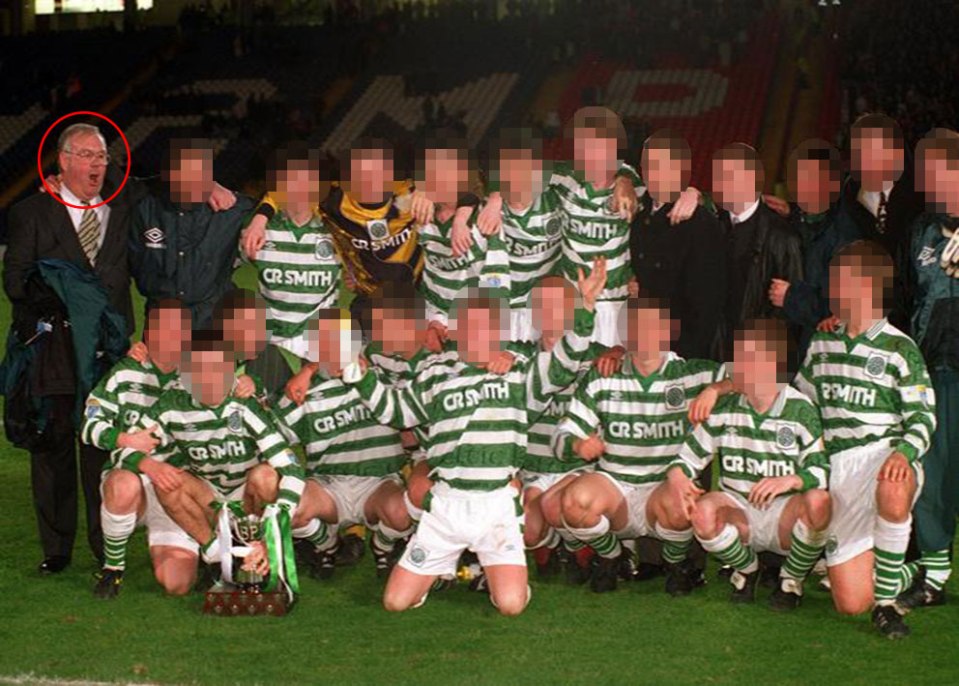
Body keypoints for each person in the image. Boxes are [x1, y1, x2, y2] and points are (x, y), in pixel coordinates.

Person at [341, 259, 608, 615]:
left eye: (486, 325)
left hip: (496, 505)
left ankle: (496, 575)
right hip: (447, 504)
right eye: (468, 324)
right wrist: (363, 379)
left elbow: (563, 361)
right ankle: (441, 569)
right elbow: (397, 411)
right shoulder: (436, 373)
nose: (477, 333)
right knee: (395, 603)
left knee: (510, 605)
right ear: (456, 329)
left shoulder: (519, 375)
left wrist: (585, 308)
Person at [3, 122, 138, 573]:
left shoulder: (121, 206)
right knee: (54, 446)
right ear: (62, 161)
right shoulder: (31, 213)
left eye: (101, 157)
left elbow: (171, 189)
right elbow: (15, 282)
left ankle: (107, 548)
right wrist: (68, 295)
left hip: (109, 353)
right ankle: (57, 549)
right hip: (56, 351)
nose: (96, 165)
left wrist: (216, 187)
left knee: (101, 450)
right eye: (85, 155)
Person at [794, 240, 937, 638]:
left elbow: (923, 417)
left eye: (839, 281)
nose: (832, 290)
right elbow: (802, 407)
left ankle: (889, 606)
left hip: (882, 456)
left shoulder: (898, 348)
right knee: (850, 604)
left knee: (892, 487)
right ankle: (913, 569)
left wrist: (905, 453)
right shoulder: (822, 343)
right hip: (839, 469)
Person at [552, 298, 724, 595]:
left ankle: (675, 564)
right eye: (635, 328)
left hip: (662, 491)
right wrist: (577, 444)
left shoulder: (691, 374)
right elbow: (560, 436)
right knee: (573, 501)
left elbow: (754, 375)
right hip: (615, 488)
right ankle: (611, 556)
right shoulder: (603, 377)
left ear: (668, 330)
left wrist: (716, 388)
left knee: (686, 502)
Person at [668, 318, 831, 609]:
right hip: (739, 511)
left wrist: (790, 480)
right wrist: (679, 478)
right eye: (738, 357)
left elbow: (820, 471)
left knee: (819, 502)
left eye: (748, 357)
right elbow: (686, 460)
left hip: (783, 515)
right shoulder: (724, 408)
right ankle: (746, 569)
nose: (737, 366)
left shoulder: (800, 408)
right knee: (702, 512)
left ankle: (790, 579)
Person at [112, 331, 306, 573]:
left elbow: (292, 470)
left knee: (266, 476)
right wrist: (150, 465)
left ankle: (262, 548)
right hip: (207, 500)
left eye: (220, 371)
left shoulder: (246, 404)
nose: (212, 380)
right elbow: (122, 452)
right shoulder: (170, 404)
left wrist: (276, 520)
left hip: (248, 497)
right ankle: (215, 553)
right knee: (167, 481)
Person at [273, 309, 412, 579]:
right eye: (324, 343)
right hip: (328, 487)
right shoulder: (302, 392)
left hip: (378, 483)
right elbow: (272, 441)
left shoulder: (385, 378)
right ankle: (330, 545)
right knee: (289, 509)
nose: (335, 349)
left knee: (403, 512)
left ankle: (381, 545)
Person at [80, 300, 196, 598]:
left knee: (177, 584)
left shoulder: (199, 376)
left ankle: (206, 550)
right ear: (149, 333)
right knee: (122, 483)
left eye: (179, 330)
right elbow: (89, 427)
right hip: (134, 482)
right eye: (164, 330)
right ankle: (113, 569)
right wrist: (126, 442)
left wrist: (249, 382)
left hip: (176, 488)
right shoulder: (123, 374)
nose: (172, 338)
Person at [895, 128, 959, 610]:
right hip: (933, 370)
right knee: (932, 472)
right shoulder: (921, 229)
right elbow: (909, 297)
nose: (931, 182)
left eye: (940, 171)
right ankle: (934, 573)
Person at [242, 143, 341, 397]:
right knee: (267, 416)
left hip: (321, 342)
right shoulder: (258, 230)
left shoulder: (337, 230)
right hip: (271, 343)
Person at [129, 139, 255, 331]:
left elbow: (281, 204)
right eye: (186, 173)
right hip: (161, 324)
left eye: (202, 173)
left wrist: (261, 219)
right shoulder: (144, 206)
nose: (195, 181)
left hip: (212, 322)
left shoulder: (231, 209)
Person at [629, 129, 725, 361]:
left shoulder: (700, 222)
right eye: (648, 165)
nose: (653, 173)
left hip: (682, 350)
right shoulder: (640, 216)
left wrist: (689, 359)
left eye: (662, 165)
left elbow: (706, 303)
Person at [711, 143, 803, 369]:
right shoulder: (711, 226)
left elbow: (791, 312)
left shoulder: (783, 237)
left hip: (758, 361)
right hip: (713, 353)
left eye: (728, 176)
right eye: (718, 176)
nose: (720, 184)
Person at [770, 139, 861, 359]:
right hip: (784, 351)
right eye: (799, 177)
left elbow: (842, 311)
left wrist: (791, 297)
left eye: (812, 178)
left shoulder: (846, 236)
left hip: (820, 356)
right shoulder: (794, 221)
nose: (802, 185)